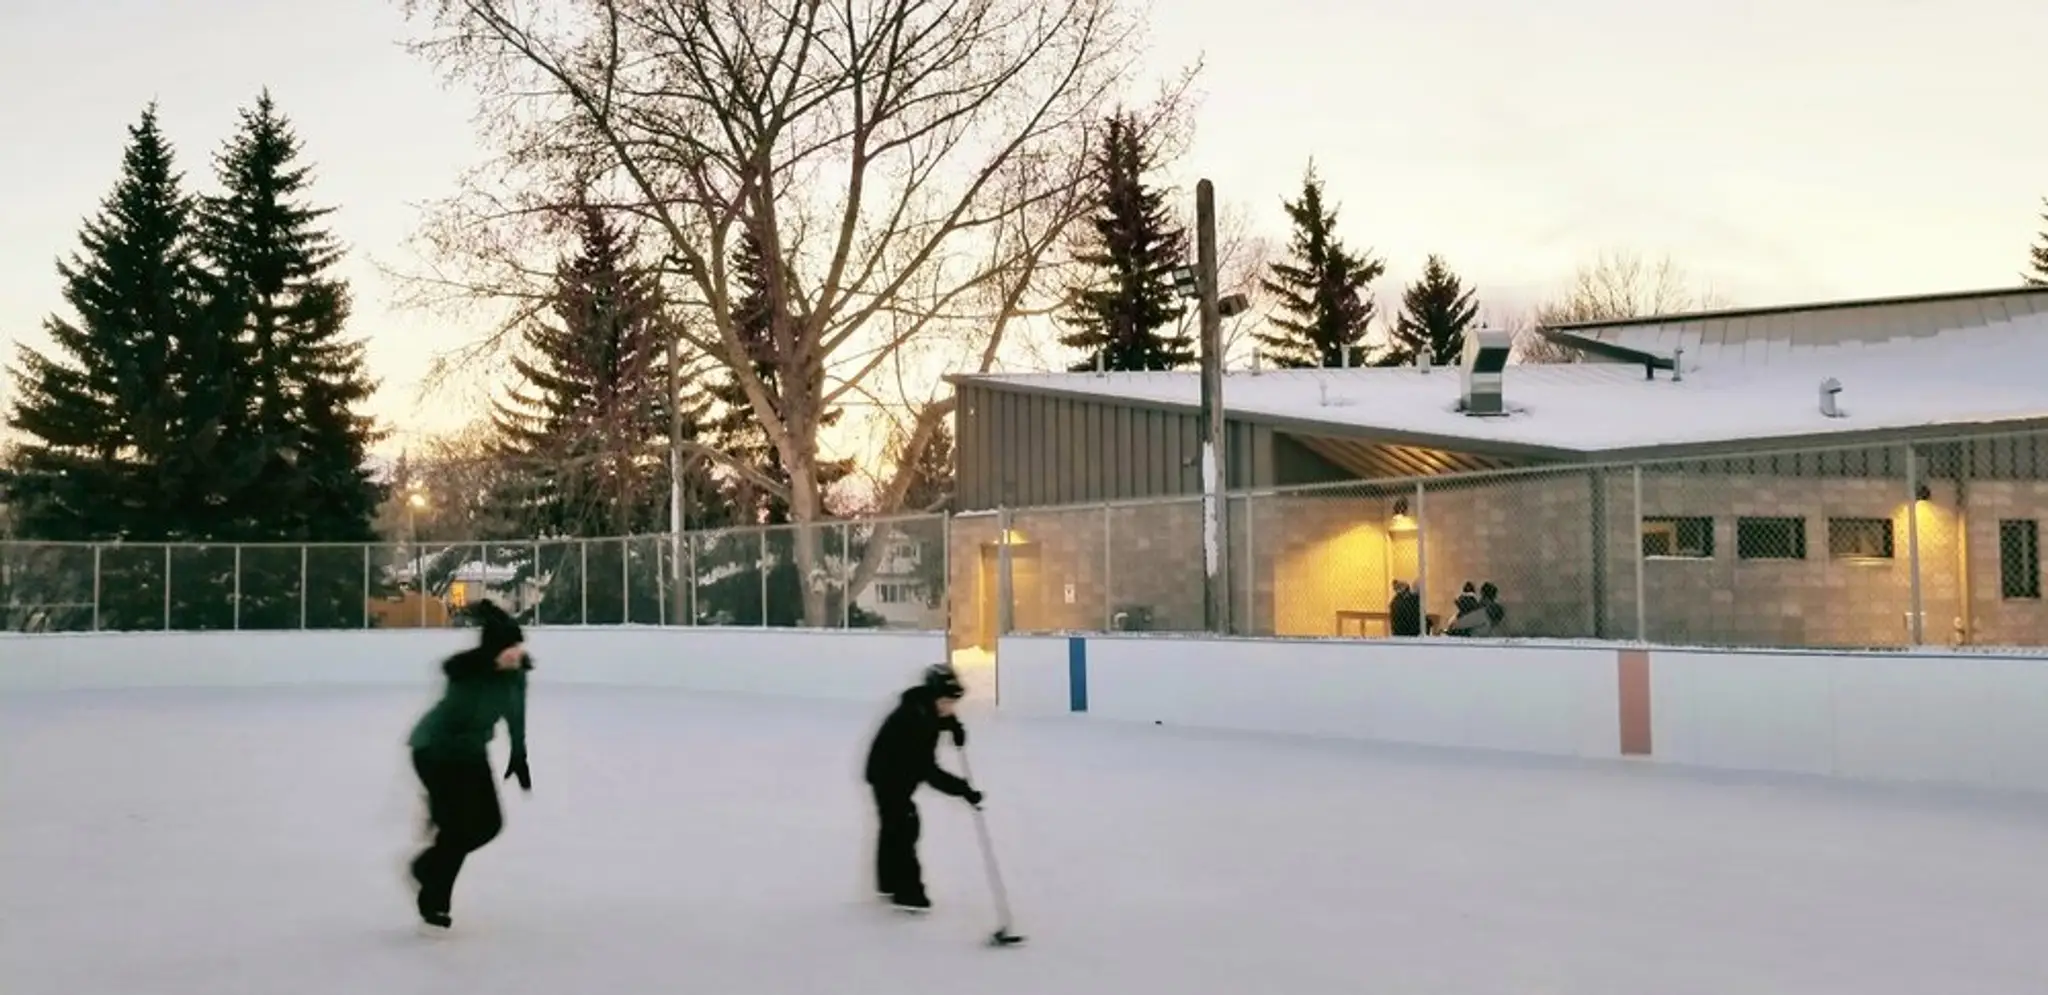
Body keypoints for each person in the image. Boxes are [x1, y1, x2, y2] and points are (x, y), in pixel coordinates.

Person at [404, 599, 532, 929]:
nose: (515, 655)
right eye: (508, 650)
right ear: (491, 653)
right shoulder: (466, 676)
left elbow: (516, 714)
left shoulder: (515, 676)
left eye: (517, 648)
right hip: (435, 751)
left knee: (488, 824)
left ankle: (426, 868)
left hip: (471, 752)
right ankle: (435, 903)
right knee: (456, 830)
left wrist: (519, 754)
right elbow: (457, 719)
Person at [863, 662, 982, 913]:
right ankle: (908, 894)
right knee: (904, 828)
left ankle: (889, 883)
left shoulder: (924, 706)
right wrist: (963, 789)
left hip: (891, 772)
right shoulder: (916, 721)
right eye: (948, 702)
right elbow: (929, 771)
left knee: (893, 827)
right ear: (936, 696)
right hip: (889, 777)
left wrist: (954, 727)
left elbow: (940, 718)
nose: (951, 707)